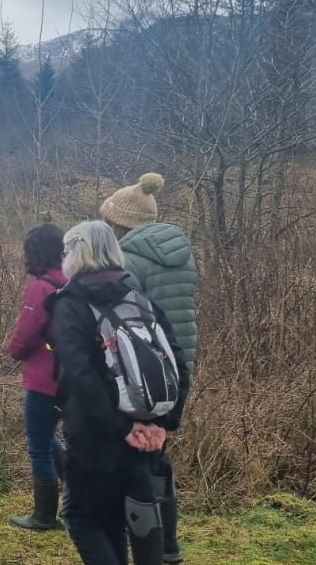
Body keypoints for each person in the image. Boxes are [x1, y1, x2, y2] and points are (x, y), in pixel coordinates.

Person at [52, 221, 190, 565]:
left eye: (67, 249)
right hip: (145, 435)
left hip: (96, 436)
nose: (63, 256)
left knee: (81, 517)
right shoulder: (138, 297)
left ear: (79, 252)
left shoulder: (70, 303)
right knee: (115, 518)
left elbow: (80, 377)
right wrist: (163, 423)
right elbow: (177, 363)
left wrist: (122, 428)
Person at [101, 173, 198, 564]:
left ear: (118, 223)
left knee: (137, 462)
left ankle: (147, 551)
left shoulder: (128, 260)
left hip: (144, 372)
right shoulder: (181, 252)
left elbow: (128, 327)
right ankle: (169, 547)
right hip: (180, 363)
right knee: (158, 457)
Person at [7, 220, 69, 530]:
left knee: (39, 445)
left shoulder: (40, 288)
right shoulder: (73, 282)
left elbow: (24, 337)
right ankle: (76, 492)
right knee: (51, 437)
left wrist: (13, 350)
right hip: (73, 378)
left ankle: (44, 515)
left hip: (44, 378)